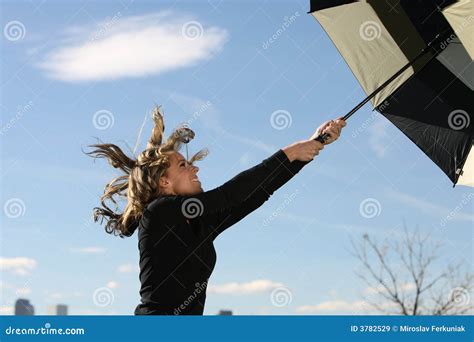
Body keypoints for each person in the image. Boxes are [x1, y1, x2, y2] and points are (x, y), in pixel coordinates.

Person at [87, 106, 346, 315]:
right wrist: (288, 152)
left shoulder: (200, 223)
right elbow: (228, 194)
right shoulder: (159, 212)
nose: (195, 168)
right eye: (183, 165)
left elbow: (255, 195)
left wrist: (310, 148)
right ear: (164, 182)